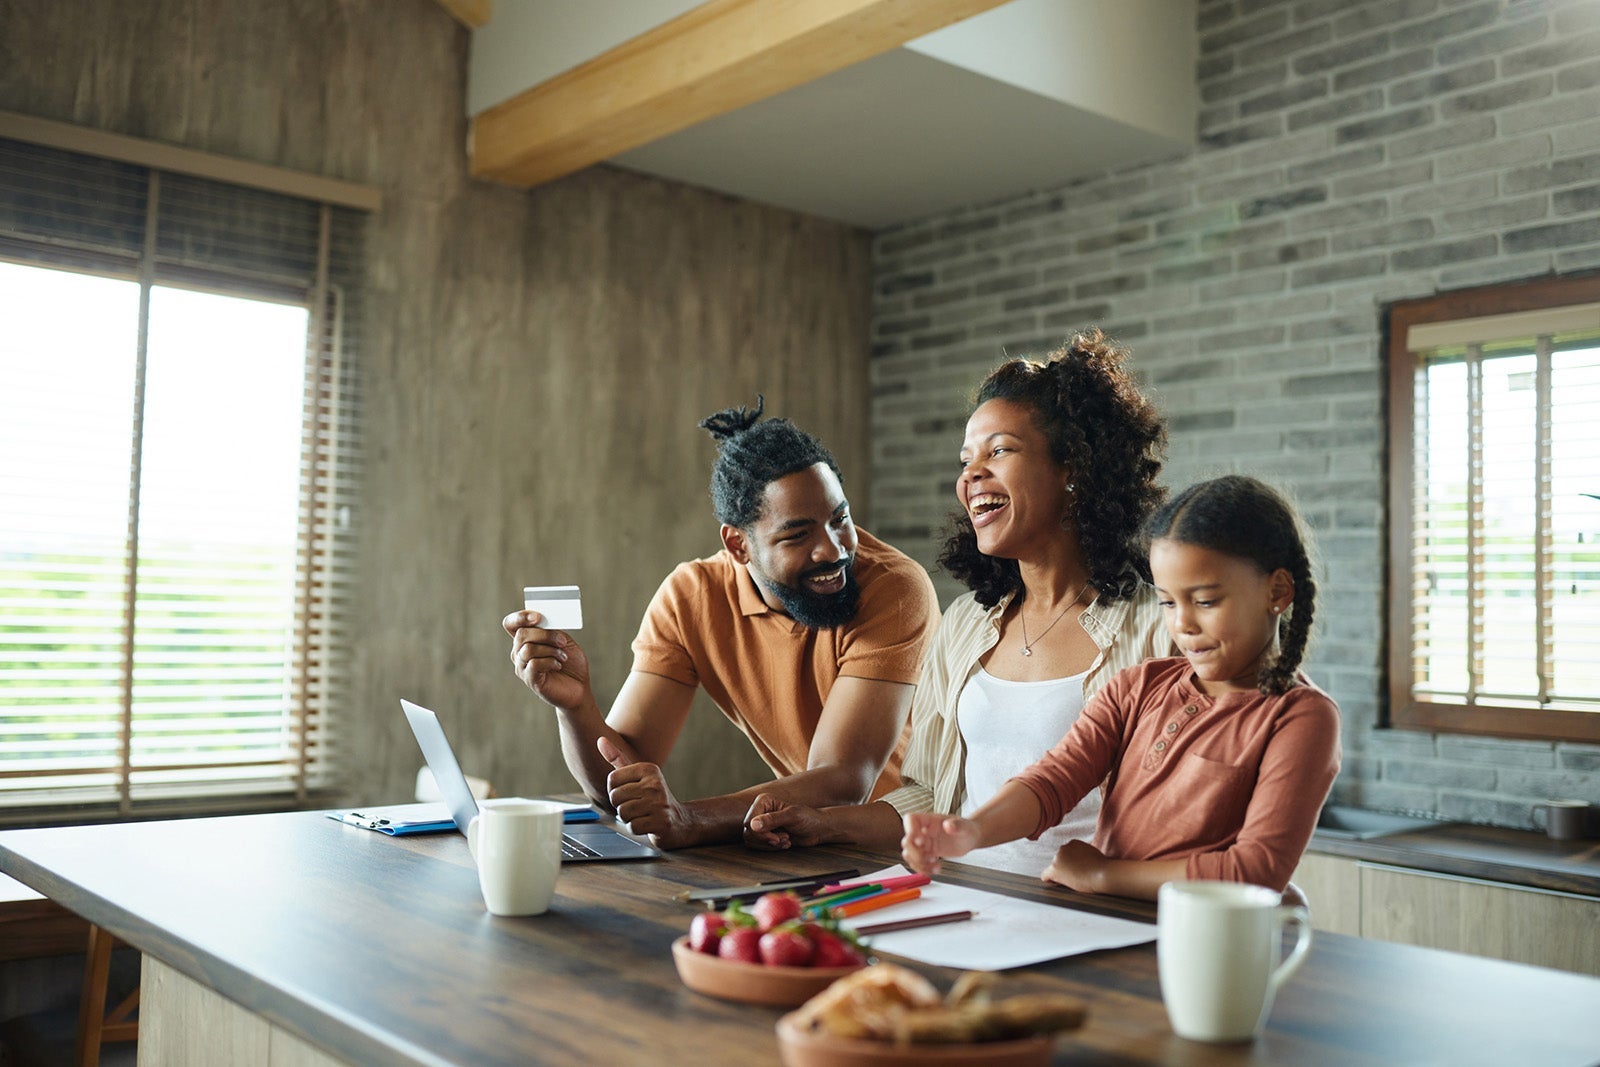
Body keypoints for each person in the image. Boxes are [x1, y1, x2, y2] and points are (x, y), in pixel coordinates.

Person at [742, 329, 1172, 876]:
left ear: (1073, 470)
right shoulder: (967, 623)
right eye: (966, 460)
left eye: (1000, 451)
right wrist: (825, 824)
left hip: (1097, 924)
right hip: (973, 905)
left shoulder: (1161, 629)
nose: (971, 476)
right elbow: (929, 795)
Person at [503, 398, 939, 850]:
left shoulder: (894, 589)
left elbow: (845, 780)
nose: (832, 550)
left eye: (839, 519)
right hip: (809, 845)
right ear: (738, 545)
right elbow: (619, 789)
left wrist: (691, 818)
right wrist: (576, 706)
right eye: (797, 534)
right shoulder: (692, 597)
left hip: (914, 845)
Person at [901, 475, 1342, 899]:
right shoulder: (1138, 686)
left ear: (1278, 592)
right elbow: (1054, 780)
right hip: (1107, 932)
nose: (1183, 624)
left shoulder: (1301, 718)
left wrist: (1102, 875)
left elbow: (1254, 870)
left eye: (1205, 601)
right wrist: (972, 831)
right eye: (1168, 602)